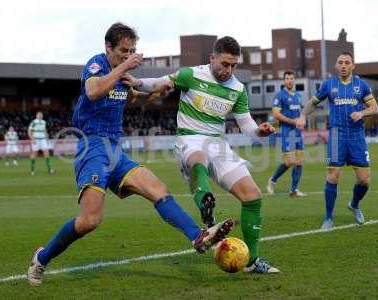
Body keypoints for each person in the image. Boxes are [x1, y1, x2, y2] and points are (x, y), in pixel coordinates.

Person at [27, 22, 232, 286]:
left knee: (157, 188)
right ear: (108, 47)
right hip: (92, 148)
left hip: (115, 149)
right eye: (123, 50)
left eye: (132, 50)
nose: (128, 54)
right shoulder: (97, 65)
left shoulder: (122, 76)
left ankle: (198, 236)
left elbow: (129, 97)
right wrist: (125, 66)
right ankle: (42, 257)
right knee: (90, 220)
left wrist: (155, 94)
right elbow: (93, 91)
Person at [131, 36, 280, 274]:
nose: (228, 70)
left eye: (233, 65)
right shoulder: (191, 75)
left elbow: (247, 125)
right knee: (197, 159)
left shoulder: (237, 89)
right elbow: (157, 83)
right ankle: (206, 209)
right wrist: (134, 80)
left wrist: (260, 131)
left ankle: (252, 262)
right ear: (212, 58)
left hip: (218, 144)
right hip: (189, 137)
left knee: (253, 196)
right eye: (224, 64)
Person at [296, 52, 378, 229]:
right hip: (336, 136)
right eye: (340, 62)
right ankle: (328, 218)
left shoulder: (361, 85)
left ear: (352, 65)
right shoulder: (329, 85)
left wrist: (361, 113)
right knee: (333, 176)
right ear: (336, 65)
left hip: (357, 136)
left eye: (347, 62)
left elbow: (374, 107)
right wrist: (302, 115)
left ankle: (354, 205)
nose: (343, 65)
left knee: (364, 179)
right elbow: (313, 102)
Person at [267, 70, 307, 197]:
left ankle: (294, 190)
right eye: (287, 78)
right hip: (287, 131)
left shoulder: (298, 96)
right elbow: (276, 113)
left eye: (291, 78)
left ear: (294, 80)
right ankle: (272, 180)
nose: (289, 80)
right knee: (290, 161)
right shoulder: (280, 95)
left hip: (297, 132)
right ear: (284, 80)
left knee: (299, 161)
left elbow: (300, 113)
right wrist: (292, 121)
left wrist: (301, 120)